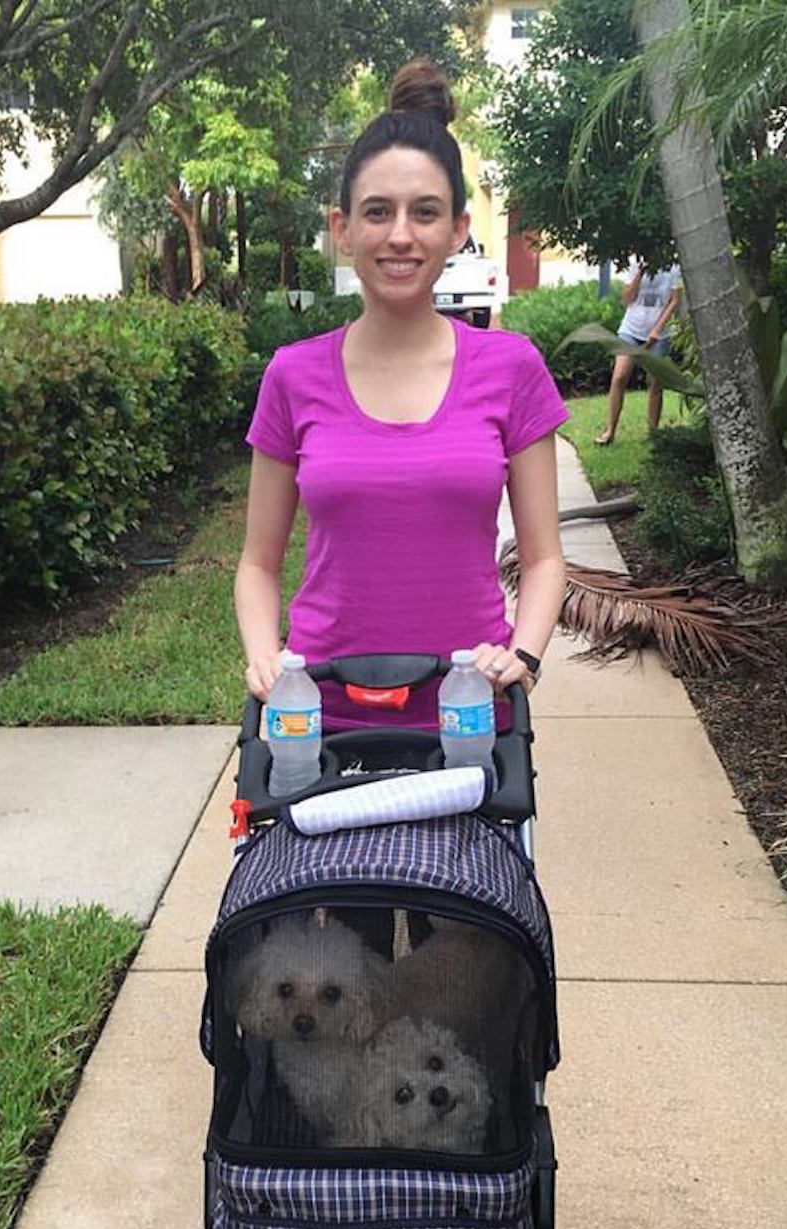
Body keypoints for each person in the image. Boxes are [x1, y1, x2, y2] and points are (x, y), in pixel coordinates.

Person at [234, 59, 569, 733]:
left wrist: (523, 655)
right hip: (320, 715)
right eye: (377, 212)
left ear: (458, 228)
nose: (399, 236)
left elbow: (543, 557)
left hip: (468, 712)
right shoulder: (292, 376)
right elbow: (256, 564)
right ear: (342, 228)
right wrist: (267, 659)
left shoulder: (512, 368)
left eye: (425, 213)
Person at [593, 260, 682, 447]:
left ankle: (653, 433)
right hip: (630, 330)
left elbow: (674, 301)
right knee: (619, 377)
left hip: (660, 334)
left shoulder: (672, 265)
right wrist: (639, 275)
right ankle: (610, 430)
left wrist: (657, 330)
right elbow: (626, 299)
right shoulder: (635, 263)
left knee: (655, 383)